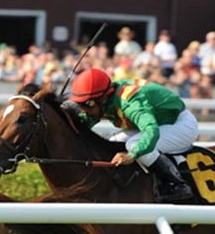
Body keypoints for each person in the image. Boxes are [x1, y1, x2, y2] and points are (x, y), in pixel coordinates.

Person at [68, 67, 197, 202]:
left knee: (133, 145)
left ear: (103, 99)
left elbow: (151, 131)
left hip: (180, 125)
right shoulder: (106, 99)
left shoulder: (130, 103)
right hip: (158, 122)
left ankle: (178, 185)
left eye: (87, 105)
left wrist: (132, 155)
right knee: (113, 140)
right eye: (80, 105)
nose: (84, 110)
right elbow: (90, 118)